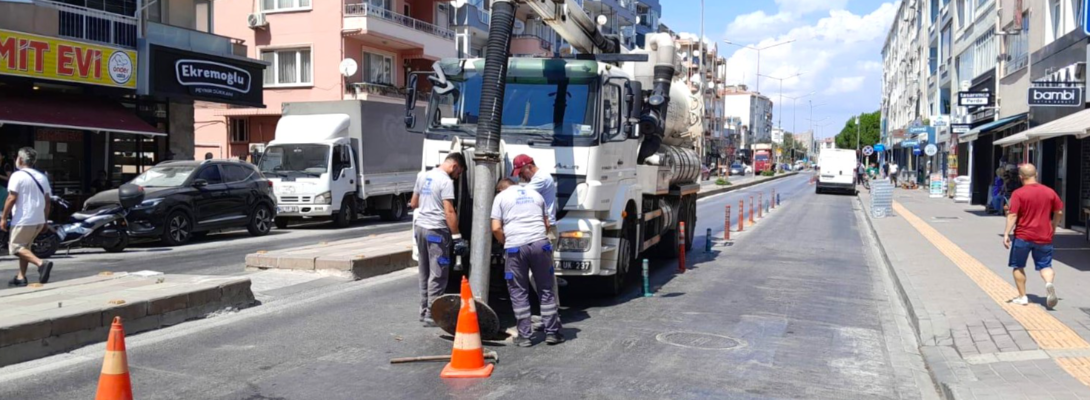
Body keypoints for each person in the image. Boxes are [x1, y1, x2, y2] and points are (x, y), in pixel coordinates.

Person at [491, 178, 563, 346]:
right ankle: (552, 332)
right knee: (546, 288)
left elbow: (496, 228)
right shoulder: (536, 194)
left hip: (515, 247)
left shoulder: (501, 197)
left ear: (501, 189)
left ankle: (524, 336)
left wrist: (506, 242)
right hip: (540, 244)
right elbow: (546, 224)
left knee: (518, 290)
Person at [409, 152, 466, 327]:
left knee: (424, 271)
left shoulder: (423, 176)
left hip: (420, 229)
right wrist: (457, 237)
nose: (457, 177)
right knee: (438, 273)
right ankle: (431, 314)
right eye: (458, 173)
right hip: (436, 231)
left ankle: (423, 310)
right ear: (454, 166)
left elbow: (413, 203)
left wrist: (429, 203)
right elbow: (449, 211)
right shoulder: (446, 181)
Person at [1003, 164, 1063, 309]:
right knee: (1046, 265)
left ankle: (1022, 297)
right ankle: (1048, 284)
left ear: (1020, 177)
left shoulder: (1018, 193)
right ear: (1036, 174)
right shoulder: (1049, 191)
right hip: (1044, 236)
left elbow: (1012, 215)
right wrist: (1054, 226)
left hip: (1023, 236)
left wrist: (1006, 233)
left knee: (1018, 266)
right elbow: (1059, 212)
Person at [1, 148, 54, 286]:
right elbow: (48, 201)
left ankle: (41, 263)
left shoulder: (17, 176)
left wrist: (3, 218)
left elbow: (11, 198)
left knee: (15, 247)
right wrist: (44, 221)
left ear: (20, 159)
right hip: (38, 219)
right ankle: (21, 277)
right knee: (25, 247)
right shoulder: (42, 177)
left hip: (23, 218)